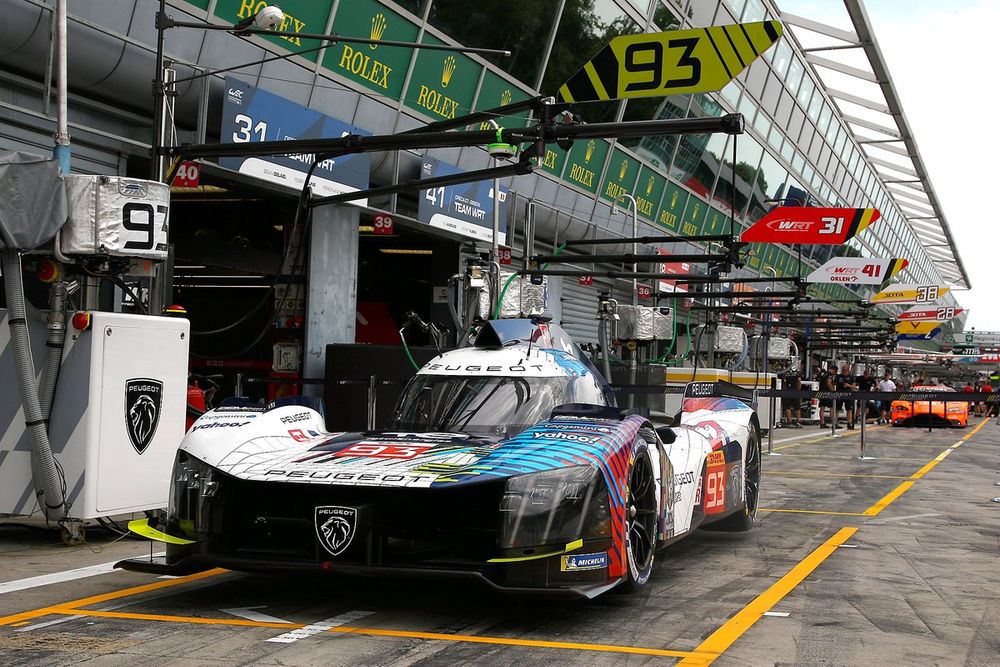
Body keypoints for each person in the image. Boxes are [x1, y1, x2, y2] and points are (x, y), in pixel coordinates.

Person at [835, 363, 858, 429]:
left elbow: (854, 387)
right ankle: (835, 423)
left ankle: (849, 423)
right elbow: (834, 384)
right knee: (837, 409)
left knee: (849, 410)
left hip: (848, 395)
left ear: (848, 370)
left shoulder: (851, 377)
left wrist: (848, 385)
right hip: (839, 394)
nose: (843, 371)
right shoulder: (838, 376)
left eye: (845, 370)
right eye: (843, 370)